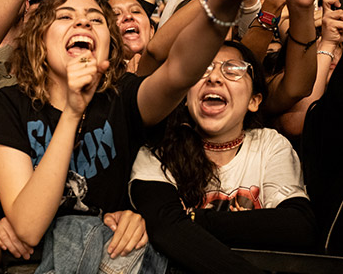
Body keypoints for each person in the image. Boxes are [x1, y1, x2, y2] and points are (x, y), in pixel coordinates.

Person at [0, 0, 289, 269]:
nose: (82, 22)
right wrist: (72, 113)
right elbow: (28, 227)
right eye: (65, 16)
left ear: (110, 44)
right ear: (38, 38)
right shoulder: (8, 106)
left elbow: (182, 69)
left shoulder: (122, 95)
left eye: (95, 19)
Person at [130, 41, 317, 274]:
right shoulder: (159, 152)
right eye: (203, 69)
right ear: (185, 96)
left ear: (254, 101)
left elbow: (298, 225)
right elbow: (166, 229)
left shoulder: (269, 144)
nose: (214, 78)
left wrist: (192, 218)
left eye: (233, 70)